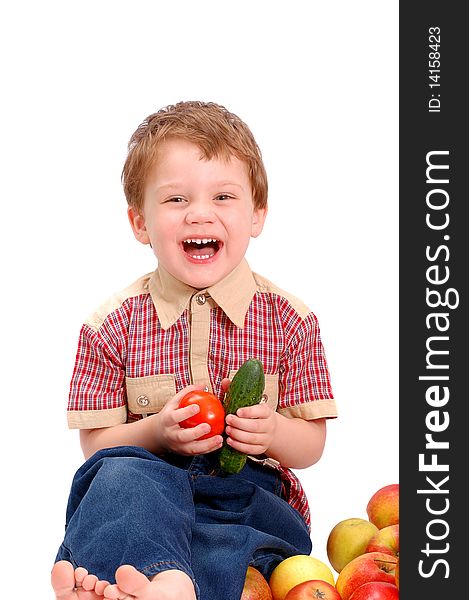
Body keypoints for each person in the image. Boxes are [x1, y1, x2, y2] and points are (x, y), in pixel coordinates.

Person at [51, 100, 338, 600]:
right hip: (148, 487)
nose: (200, 213)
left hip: (247, 495)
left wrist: (271, 430)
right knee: (118, 482)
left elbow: (311, 446)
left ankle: (158, 586)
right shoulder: (109, 325)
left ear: (257, 214)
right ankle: (149, 580)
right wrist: (157, 431)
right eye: (177, 199)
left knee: (240, 543)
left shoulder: (292, 320)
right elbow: (96, 447)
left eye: (223, 196)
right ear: (140, 222)